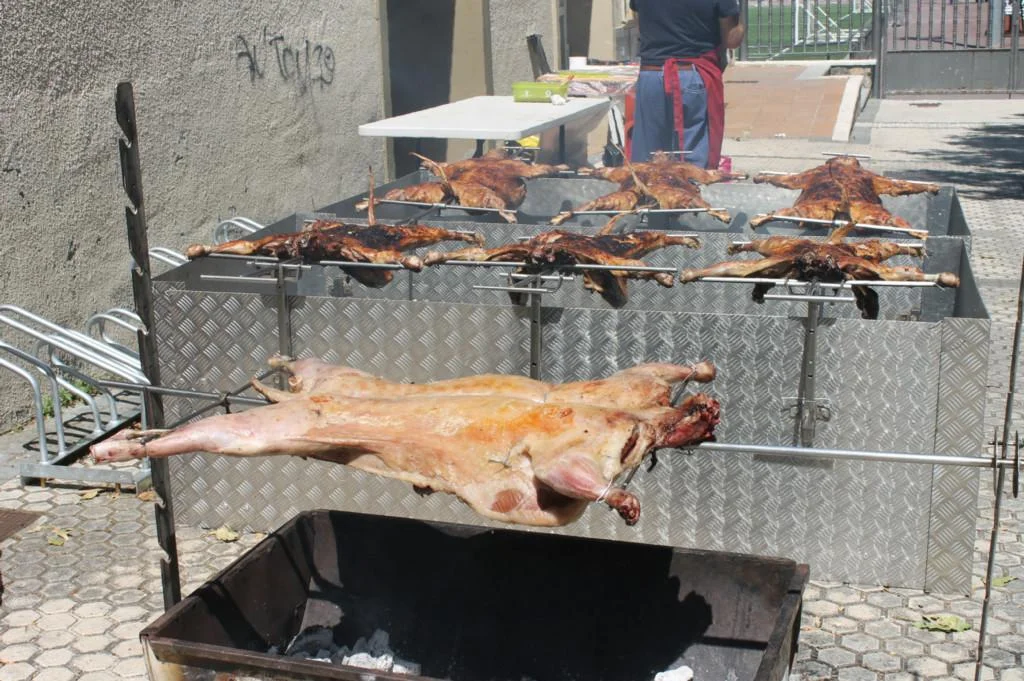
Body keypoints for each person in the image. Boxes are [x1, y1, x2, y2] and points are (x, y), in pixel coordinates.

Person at [629, 0, 745, 170]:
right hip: (691, 74)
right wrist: (740, 22)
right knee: (692, 161)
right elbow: (732, 39)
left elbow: (640, 26)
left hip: (651, 74)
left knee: (648, 160)